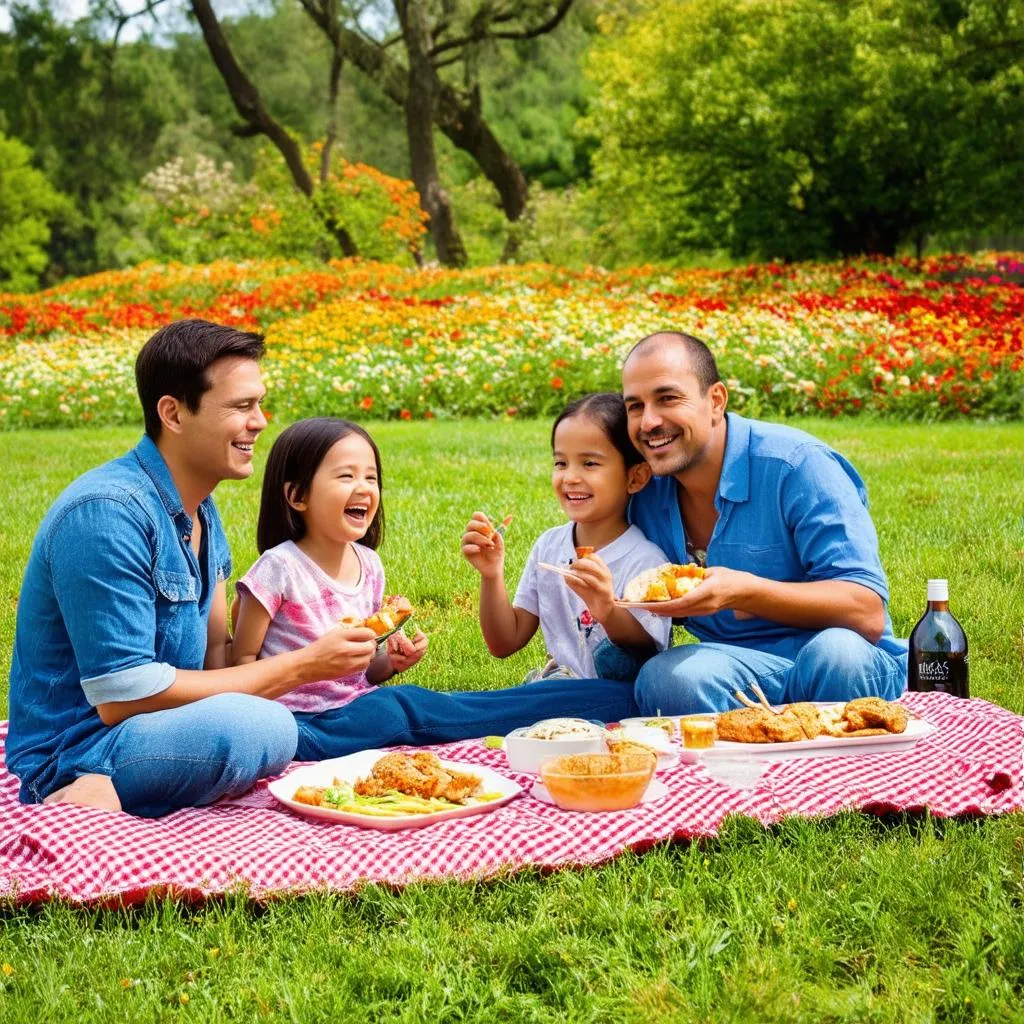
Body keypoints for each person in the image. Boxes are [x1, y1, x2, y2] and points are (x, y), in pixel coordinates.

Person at [6, 320, 639, 817]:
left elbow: (214, 664)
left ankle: (601, 704)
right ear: (174, 413)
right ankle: (92, 796)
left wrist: (349, 663)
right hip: (78, 752)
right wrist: (302, 668)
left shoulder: (201, 519)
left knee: (286, 722)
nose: (259, 422)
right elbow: (123, 697)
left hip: (174, 729)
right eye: (240, 406)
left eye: (259, 404)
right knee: (260, 726)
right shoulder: (106, 514)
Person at [604, 330, 908, 715]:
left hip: (837, 658)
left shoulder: (798, 466)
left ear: (715, 401)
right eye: (634, 406)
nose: (648, 422)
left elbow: (866, 611)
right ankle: (756, 757)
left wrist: (743, 592)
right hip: (733, 667)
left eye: (667, 399)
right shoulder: (645, 492)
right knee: (667, 680)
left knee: (839, 656)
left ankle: (825, 767)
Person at [462, 392, 670, 680]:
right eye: (561, 463)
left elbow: (648, 651)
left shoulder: (646, 562)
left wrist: (607, 609)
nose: (569, 477)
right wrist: (491, 574)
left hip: (618, 700)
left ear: (635, 478)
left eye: (590, 464)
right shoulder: (549, 546)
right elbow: (504, 643)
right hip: (560, 690)